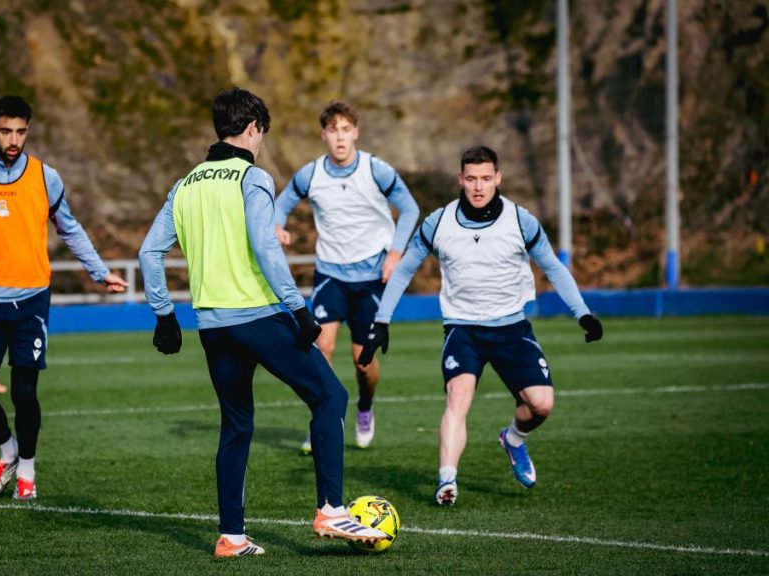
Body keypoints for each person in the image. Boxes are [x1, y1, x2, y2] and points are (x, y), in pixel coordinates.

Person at [138, 88, 386, 557]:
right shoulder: (252, 178)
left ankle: (232, 537)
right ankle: (332, 510)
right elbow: (266, 246)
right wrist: (298, 310)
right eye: (262, 134)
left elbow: (148, 252)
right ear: (253, 128)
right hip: (260, 315)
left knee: (236, 426)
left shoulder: (185, 184)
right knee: (330, 395)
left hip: (213, 325)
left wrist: (163, 315)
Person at [358, 145, 603, 507]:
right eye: (471, 178)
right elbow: (405, 268)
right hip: (463, 330)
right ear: (460, 179)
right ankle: (446, 481)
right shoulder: (438, 221)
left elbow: (552, 267)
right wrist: (381, 322)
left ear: (498, 179)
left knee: (541, 405)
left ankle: (514, 439)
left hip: (512, 329)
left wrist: (582, 312)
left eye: (486, 178)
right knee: (458, 399)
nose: (478, 186)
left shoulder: (520, 220)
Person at [0, 96, 128, 501]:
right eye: (6, 131)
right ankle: (7, 449)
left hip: (31, 303)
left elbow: (70, 228)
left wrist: (99, 272)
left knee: (25, 392)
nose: (14, 140)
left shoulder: (46, 177)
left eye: (21, 131)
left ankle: (26, 466)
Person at [275, 101, 420, 452]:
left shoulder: (376, 170)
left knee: (363, 362)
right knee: (320, 347)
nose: (339, 137)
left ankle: (365, 408)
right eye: (332, 130)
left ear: (355, 132)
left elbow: (410, 207)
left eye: (345, 129)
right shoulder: (311, 174)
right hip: (330, 273)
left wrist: (396, 253)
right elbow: (279, 204)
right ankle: (322, 419)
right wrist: (276, 225)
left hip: (372, 276)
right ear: (323, 135)